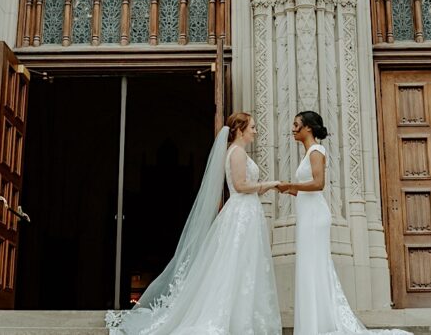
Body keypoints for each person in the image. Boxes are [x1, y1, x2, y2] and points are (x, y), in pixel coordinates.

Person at [107, 112, 282, 335]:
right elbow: (240, 186)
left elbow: (247, 186)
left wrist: (272, 186)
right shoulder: (236, 153)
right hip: (241, 214)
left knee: (243, 264)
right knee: (236, 263)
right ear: (240, 129)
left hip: (246, 212)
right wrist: (269, 183)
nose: (255, 131)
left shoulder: (237, 152)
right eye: (253, 127)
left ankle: (243, 316)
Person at [280, 111, 412, 335]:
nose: (293, 129)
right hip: (307, 213)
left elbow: (318, 184)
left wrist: (291, 184)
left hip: (314, 217)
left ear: (308, 128)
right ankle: (315, 322)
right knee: (310, 266)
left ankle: (318, 325)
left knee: (314, 266)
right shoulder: (308, 152)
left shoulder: (316, 151)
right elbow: (306, 190)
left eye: (296, 125)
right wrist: (286, 189)